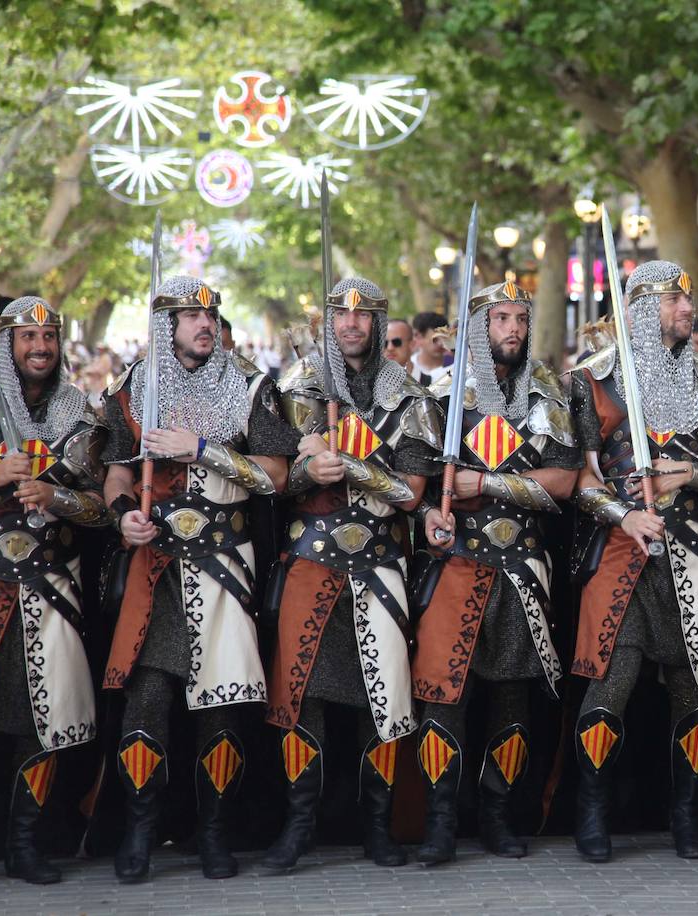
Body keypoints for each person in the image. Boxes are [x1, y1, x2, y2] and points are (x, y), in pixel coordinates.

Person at [100, 275, 295, 882]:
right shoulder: (135, 389)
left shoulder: (251, 387)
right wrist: (121, 515)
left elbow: (277, 476)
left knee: (221, 710)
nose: (204, 325)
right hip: (156, 570)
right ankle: (139, 830)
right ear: (167, 327)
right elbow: (114, 472)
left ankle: (215, 832)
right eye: (189, 317)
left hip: (225, 567)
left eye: (210, 316)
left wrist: (201, 448)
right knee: (148, 702)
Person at [568, 260, 698, 862]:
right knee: (610, 689)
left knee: (692, 695)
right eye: (673, 301)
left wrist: (689, 472)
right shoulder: (593, 380)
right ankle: (592, 814)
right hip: (623, 552)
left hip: (693, 551)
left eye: (687, 298)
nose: (686, 309)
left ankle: (688, 815)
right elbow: (582, 484)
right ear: (642, 309)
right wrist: (624, 515)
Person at [261, 277, 435, 873]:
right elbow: (272, 480)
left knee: (380, 696)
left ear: (381, 323)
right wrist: (310, 470)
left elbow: (412, 494)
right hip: (309, 558)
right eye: (341, 315)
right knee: (300, 693)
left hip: (381, 562)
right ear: (328, 321)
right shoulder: (293, 389)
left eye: (364, 316)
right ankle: (298, 822)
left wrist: (351, 467)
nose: (352, 325)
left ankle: (378, 825)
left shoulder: (409, 396)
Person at [413, 281, 580, 864]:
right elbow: (417, 480)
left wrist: (485, 483)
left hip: (522, 565)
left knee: (512, 697)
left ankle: (498, 814)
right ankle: (439, 821)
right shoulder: (439, 392)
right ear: (479, 328)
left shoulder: (549, 392)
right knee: (444, 695)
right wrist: (435, 504)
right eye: (501, 318)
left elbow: (564, 481)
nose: (513, 328)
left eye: (520, 318)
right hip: (456, 561)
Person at [0, 296, 108, 883]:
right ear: (6, 343)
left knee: (42, 724)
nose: (39, 348)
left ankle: (26, 844)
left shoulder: (81, 419)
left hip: (51, 591)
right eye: (27, 338)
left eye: (48, 337)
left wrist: (57, 498)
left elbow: (102, 509)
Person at [410, 310, 452, 386]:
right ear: (418, 336)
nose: (441, 343)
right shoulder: (410, 369)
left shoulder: (454, 365)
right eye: (435, 339)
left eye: (444, 338)